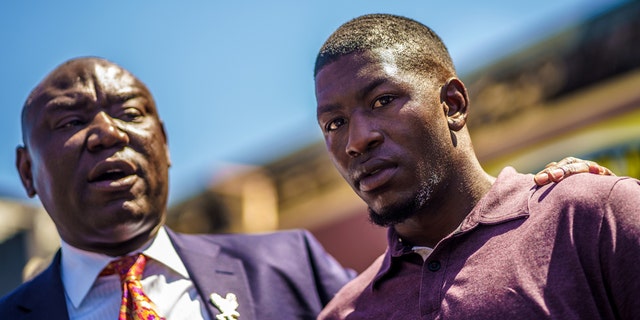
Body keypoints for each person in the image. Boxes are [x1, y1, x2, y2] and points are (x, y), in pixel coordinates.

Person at [313, 14, 640, 319]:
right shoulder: (343, 312)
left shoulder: (590, 216)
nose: (356, 141)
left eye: (382, 101)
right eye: (334, 123)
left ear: (452, 105)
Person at [0, 57, 356, 320]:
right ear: (27, 172)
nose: (109, 132)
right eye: (71, 121)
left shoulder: (289, 263)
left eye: (131, 113)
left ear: (165, 144)